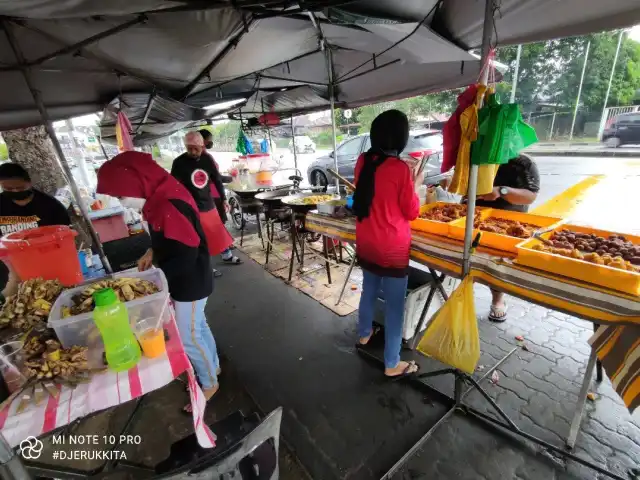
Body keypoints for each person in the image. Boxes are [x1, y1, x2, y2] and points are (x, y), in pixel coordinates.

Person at [96, 151, 220, 410]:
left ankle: (208, 383)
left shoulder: (167, 203)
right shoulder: (161, 192)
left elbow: (186, 253)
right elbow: (171, 236)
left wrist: (158, 285)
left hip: (190, 283)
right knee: (199, 328)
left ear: (139, 184)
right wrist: (152, 251)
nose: (123, 203)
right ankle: (213, 368)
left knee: (189, 337)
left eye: (121, 196)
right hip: (193, 277)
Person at [353, 110, 422, 378]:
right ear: (402, 139)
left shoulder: (362, 161)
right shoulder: (400, 169)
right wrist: (414, 183)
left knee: (368, 289)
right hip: (392, 247)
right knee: (395, 307)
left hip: (367, 240)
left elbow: (373, 187)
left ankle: (364, 334)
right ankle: (392, 364)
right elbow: (411, 211)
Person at [476, 153, 540, 322]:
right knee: (469, 259)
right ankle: (460, 293)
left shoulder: (524, 163)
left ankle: (498, 300)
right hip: (475, 216)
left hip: (508, 221)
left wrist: (501, 191)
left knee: (497, 263)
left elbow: (530, 195)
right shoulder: (478, 155)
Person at [171, 132, 241, 277]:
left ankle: (226, 255)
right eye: (189, 148)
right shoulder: (179, 163)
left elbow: (216, 179)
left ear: (202, 146)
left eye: (196, 148)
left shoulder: (207, 160)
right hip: (190, 207)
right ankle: (206, 267)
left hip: (208, 203)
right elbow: (173, 186)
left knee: (217, 232)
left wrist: (223, 199)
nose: (193, 152)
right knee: (201, 238)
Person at [0, 163, 71, 297]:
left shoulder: (50, 205)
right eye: (8, 188)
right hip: (13, 267)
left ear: (29, 183)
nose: (15, 191)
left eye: (20, 187)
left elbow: (64, 234)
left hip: (48, 263)